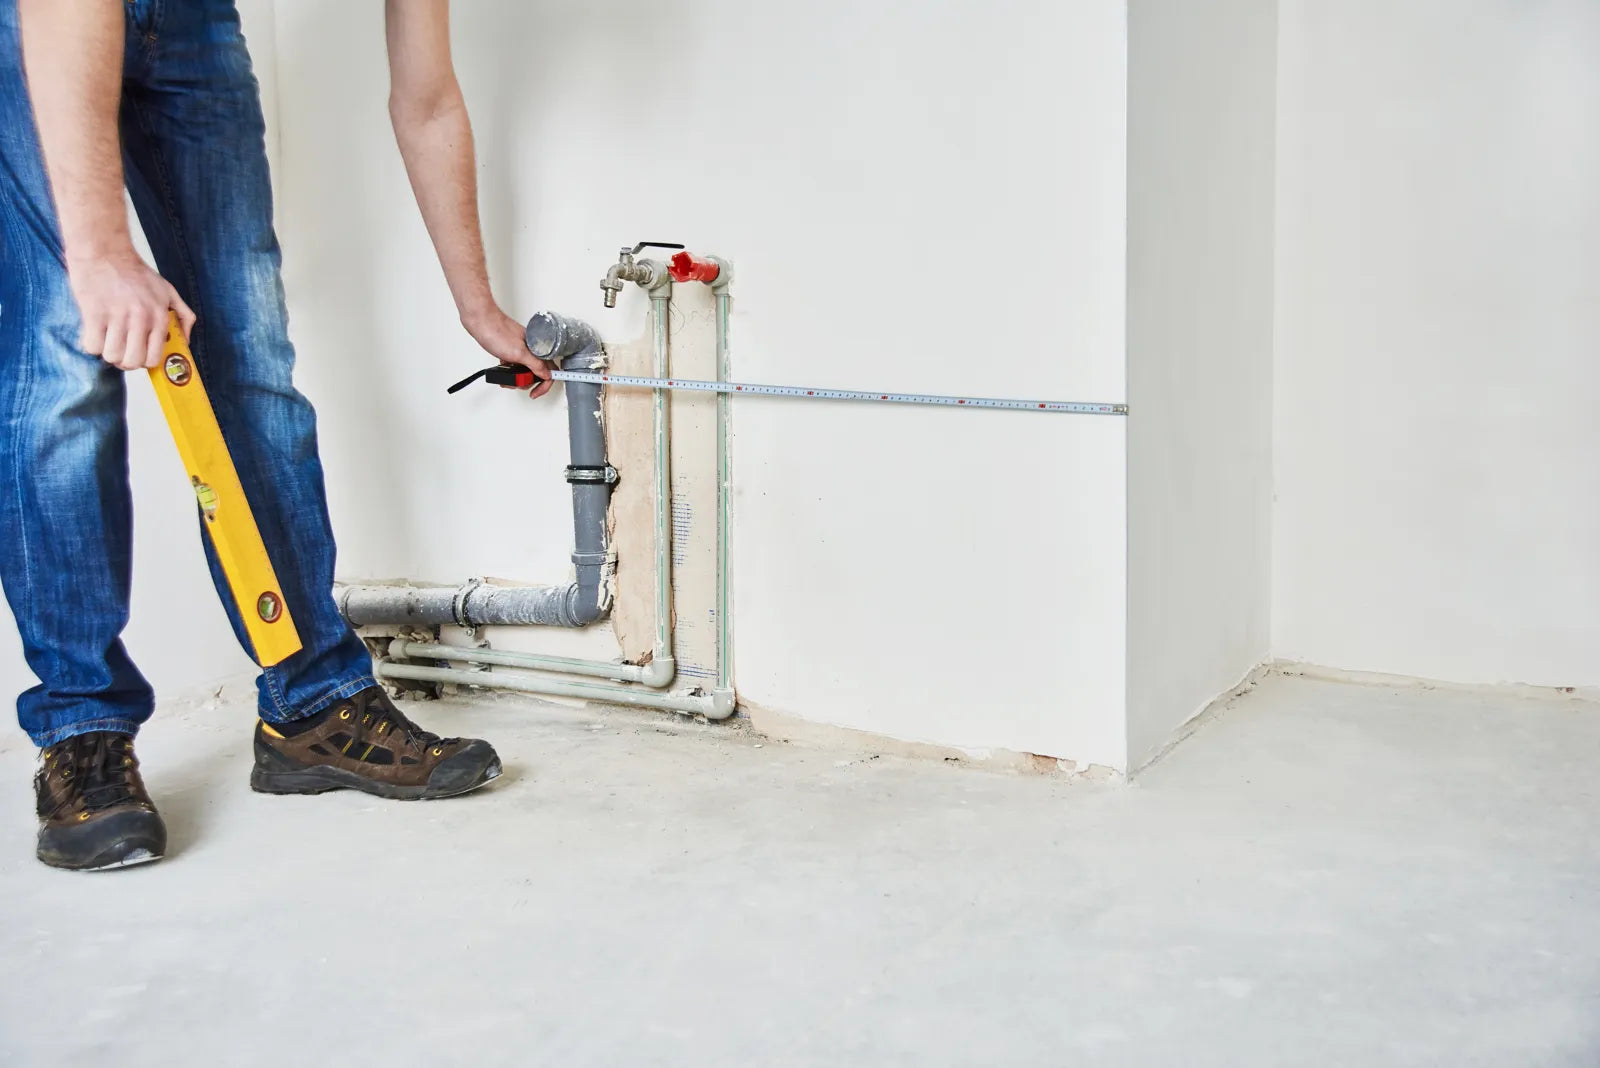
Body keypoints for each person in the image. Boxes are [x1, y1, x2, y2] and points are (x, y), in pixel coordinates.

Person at [1, 0, 548, 870]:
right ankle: (81, 730)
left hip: (191, 26)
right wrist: (102, 254)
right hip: (42, 19)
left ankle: (312, 707)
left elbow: (428, 97)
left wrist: (477, 305)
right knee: (65, 362)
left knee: (252, 362)